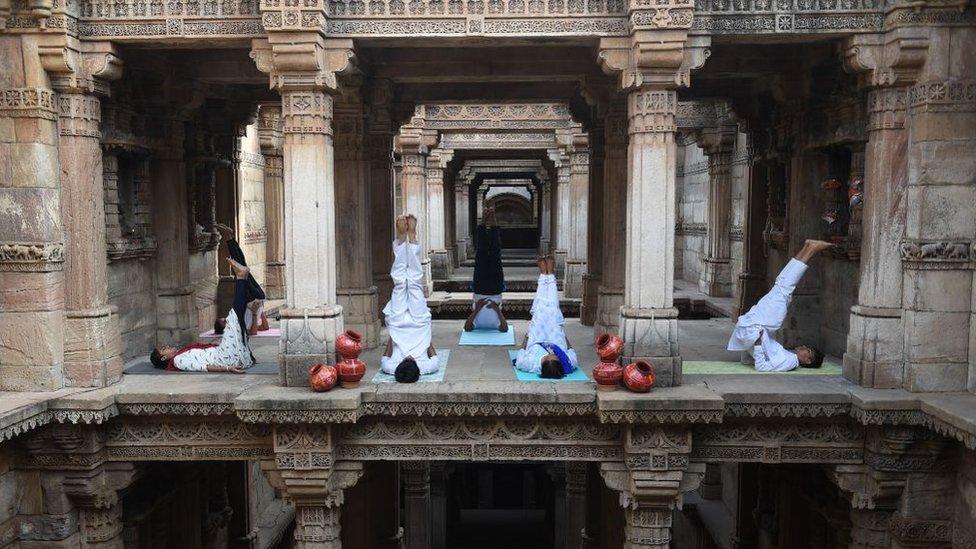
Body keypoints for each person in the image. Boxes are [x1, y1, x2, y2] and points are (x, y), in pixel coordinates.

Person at [727, 239, 831, 372]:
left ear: (807, 360)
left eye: (808, 350)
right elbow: (753, 358)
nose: (804, 346)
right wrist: (752, 347)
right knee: (781, 285)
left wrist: (757, 342)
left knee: (783, 287)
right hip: (757, 327)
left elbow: (762, 366)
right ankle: (808, 247)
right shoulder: (789, 357)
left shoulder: (790, 362)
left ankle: (810, 249)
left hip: (757, 327)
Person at [149, 258, 255, 373]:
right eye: (164, 349)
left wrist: (210, 345)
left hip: (222, 353)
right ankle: (241, 277)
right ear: (164, 357)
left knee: (238, 321)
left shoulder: (180, 355)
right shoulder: (178, 361)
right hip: (224, 357)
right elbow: (203, 367)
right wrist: (228, 369)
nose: (168, 346)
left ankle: (242, 278)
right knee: (234, 318)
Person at [380, 214, 439, 382]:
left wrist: (393, 334)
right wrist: (426, 336)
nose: (409, 358)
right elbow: (432, 354)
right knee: (412, 284)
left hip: (399, 323)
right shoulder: (425, 368)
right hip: (419, 324)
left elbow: (386, 356)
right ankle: (410, 237)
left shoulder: (392, 368)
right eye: (411, 361)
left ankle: (401, 238)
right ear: (417, 368)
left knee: (401, 284)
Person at [514, 255, 577, 379]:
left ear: (543, 364)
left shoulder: (528, 364)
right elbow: (570, 350)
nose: (554, 354)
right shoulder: (568, 363)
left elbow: (521, 352)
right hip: (556, 338)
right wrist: (564, 335)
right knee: (553, 308)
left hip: (537, 338)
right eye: (557, 358)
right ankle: (550, 275)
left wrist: (526, 338)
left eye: (551, 356)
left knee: (540, 308)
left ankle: (543, 275)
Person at [213, 223, 269, 336]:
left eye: (223, 318)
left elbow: (263, 328)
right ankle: (230, 238)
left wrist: (258, 311)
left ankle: (230, 238)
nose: (225, 319)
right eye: (223, 321)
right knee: (241, 268)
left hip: (255, 299)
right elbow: (255, 332)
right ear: (224, 329)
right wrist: (257, 313)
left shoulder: (235, 323)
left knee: (242, 264)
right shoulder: (235, 329)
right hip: (255, 300)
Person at [465, 205, 508, 332]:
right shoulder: (496, 325)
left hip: (479, 289)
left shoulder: (476, 325)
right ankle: (492, 217)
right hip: (495, 290)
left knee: (481, 251)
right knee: (495, 252)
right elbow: (504, 329)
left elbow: (467, 328)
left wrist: (478, 308)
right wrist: (495, 308)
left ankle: (484, 218)